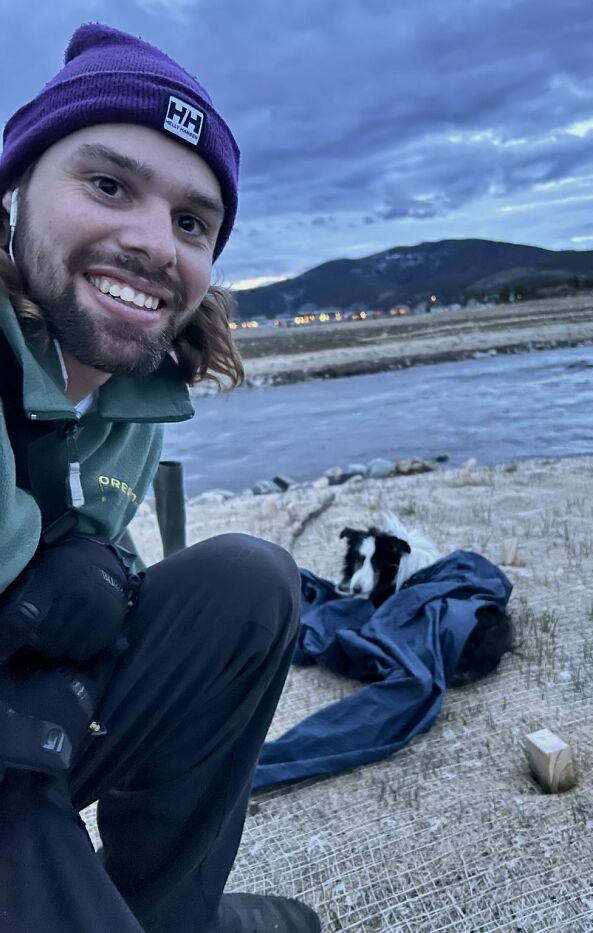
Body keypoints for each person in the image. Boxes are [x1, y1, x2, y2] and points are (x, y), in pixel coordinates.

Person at [0, 23, 321, 933]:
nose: (153, 244)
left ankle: (170, 913)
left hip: (30, 721)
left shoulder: (133, 387)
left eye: (191, 222)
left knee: (246, 585)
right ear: (15, 193)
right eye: (108, 185)